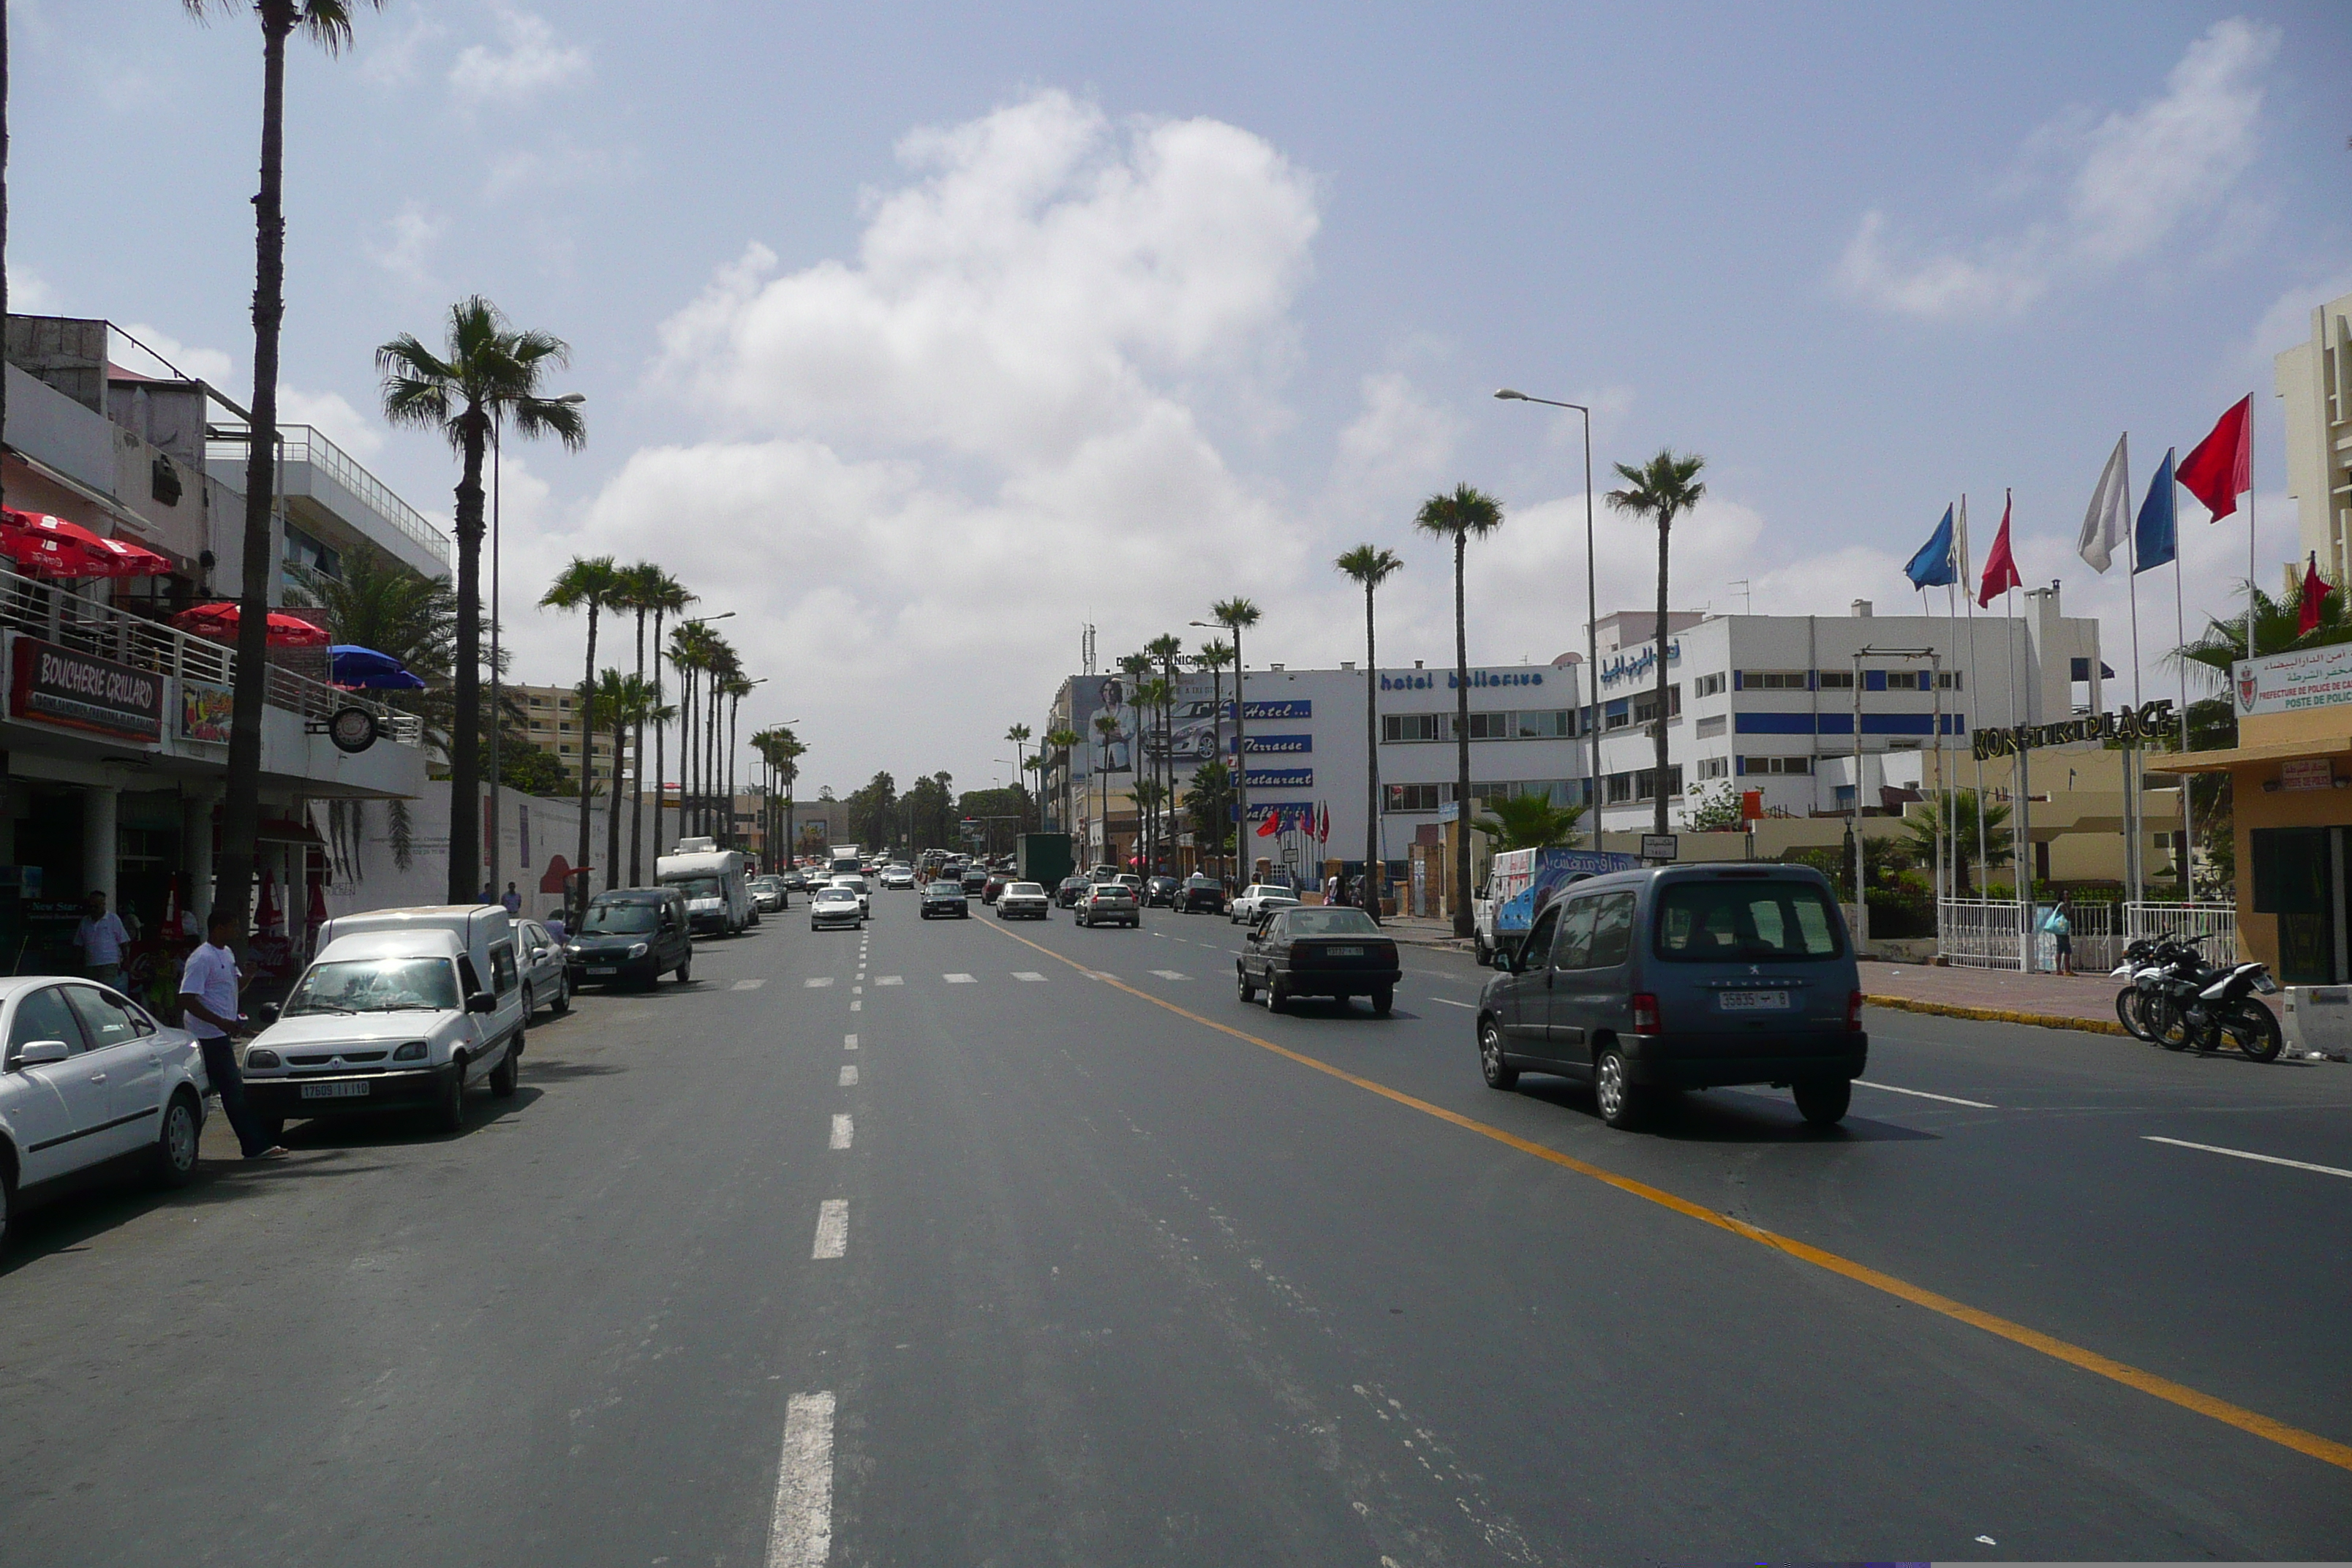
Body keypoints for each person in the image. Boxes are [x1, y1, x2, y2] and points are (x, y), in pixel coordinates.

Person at [178, 912, 287, 1161]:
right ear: (218, 928)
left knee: (213, 1091)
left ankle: (246, 1145)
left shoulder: (226, 953)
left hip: (221, 1033)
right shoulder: (202, 958)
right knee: (233, 1091)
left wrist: (247, 976)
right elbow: (186, 998)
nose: (237, 931)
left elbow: (232, 987)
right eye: (233, 926)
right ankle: (255, 1146)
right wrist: (220, 1022)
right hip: (207, 1036)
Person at [75, 891, 132, 987]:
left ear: (103, 905)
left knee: (106, 990)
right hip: (91, 963)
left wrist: (126, 960)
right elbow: (79, 944)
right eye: (91, 906)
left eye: (96, 906)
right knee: (92, 991)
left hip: (109, 962)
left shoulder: (113, 919)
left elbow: (123, 941)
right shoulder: (85, 921)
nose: (93, 909)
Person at [2045, 900, 2074, 976]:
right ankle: (2067, 970)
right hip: (2063, 932)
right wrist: (2068, 910)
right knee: (2067, 951)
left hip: (2058, 932)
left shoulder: (2057, 913)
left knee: (2059, 950)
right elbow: (2068, 918)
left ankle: (2059, 970)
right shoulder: (2062, 908)